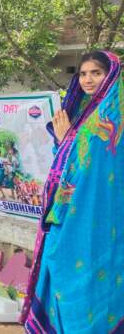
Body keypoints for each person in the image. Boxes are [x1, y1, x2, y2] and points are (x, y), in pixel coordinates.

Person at [22, 51, 124, 333]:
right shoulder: (83, 112)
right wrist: (65, 140)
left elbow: (96, 167)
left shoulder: (112, 116)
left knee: (86, 282)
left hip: (94, 218)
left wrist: (67, 139)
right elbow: (68, 161)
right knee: (59, 269)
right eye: (83, 74)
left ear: (111, 75)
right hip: (67, 212)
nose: (87, 80)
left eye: (96, 73)